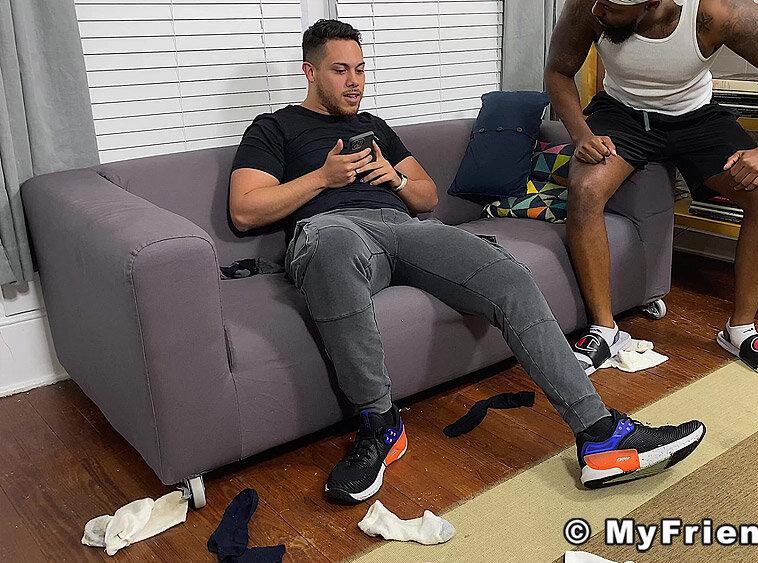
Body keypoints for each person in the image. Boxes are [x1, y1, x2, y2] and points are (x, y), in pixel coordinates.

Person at [229, 19, 706, 504]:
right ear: (310, 72)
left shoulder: (374, 128)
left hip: (406, 229)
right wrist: (323, 178)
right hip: (333, 230)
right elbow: (245, 210)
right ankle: (380, 424)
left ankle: (600, 434)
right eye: (340, 71)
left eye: (360, 69)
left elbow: (427, 197)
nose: (355, 82)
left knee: (508, 275)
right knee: (330, 252)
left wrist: (394, 178)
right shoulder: (275, 127)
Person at [545, 0, 758, 380]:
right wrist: (581, 135)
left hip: (696, 119)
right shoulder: (590, 6)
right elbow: (558, 71)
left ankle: (741, 329)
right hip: (622, 114)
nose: (599, 12)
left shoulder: (715, 12)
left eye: (610, 8)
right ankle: (605, 329)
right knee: (585, 189)